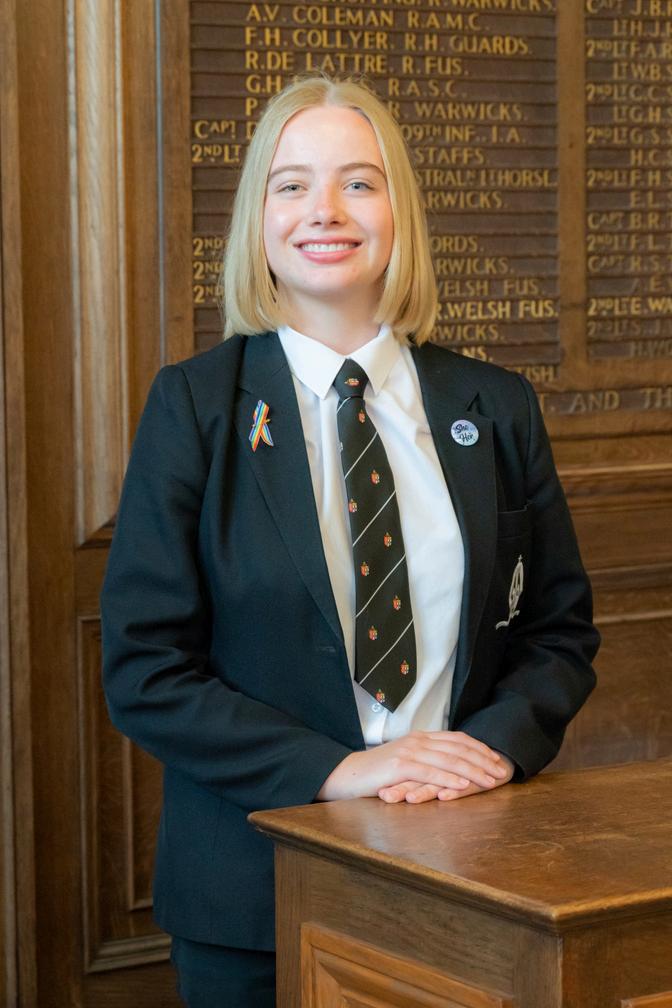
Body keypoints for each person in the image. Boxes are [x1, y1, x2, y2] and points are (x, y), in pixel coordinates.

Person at [101, 74, 599, 1007]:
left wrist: (493, 748)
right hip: (254, 897)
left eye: (358, 183)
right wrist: (344, 770)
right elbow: (144, 669)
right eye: (291, 185)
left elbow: (560, 632)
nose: (324, 210)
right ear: (259, 220)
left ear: (397, 209)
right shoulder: (196, 407)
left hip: (472, 876)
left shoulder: (495, 405)